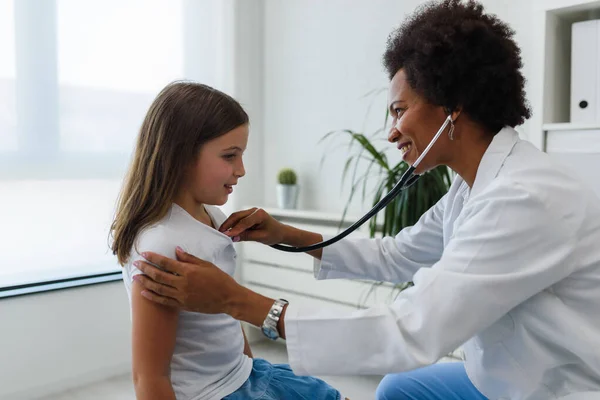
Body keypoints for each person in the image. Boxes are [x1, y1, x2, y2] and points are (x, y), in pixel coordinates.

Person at [132, 1, 600, 399]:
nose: (392, 131)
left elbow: (409, 330)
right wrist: (287, 235)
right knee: (396, 389)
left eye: (399, 110)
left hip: (555, 385)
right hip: (506, 371)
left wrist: (240, 302)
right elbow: (398, 255)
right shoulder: (472, 184)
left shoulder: (525, 197)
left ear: (452, 107)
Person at [110, 82, 345, 400]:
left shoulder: (214, 216)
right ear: (180, 154)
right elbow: (149, 376)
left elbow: (227, 308)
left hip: (246, 376)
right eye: (230, 156)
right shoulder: (160, 246)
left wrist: (247, 366)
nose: (242, 170)